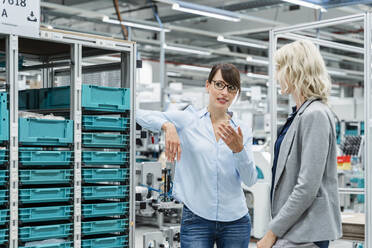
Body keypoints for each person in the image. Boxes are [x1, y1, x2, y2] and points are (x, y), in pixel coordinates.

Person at [136, 63, 257, 248]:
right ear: (208, 85)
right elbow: (139, 114)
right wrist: (167, 126)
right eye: (219, 85)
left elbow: (250, 180)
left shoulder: (242, 130)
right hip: (197, 220)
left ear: (236, 93)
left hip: (236, 222)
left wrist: (238, 150)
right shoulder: (188, 120)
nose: (224, 92)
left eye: (231, 88)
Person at [257, 40, 342, 248]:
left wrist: (271, 233)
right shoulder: (300, 114)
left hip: (306, 231)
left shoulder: (315, 115)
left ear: (295, 70)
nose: (277, 76)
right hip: (295, 229)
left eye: (280, 69)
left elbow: (306, 187)